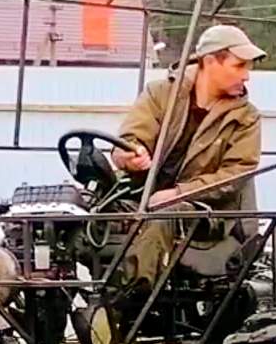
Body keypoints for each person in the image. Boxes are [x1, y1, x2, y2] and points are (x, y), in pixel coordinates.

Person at [110, 24, 266, 290]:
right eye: (239, 66)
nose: (246, 76)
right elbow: (129, 141)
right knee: (82, 209)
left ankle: (127, 298)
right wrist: (129, 156)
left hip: (211, 216)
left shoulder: (245, 117)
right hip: (145, 199)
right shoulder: (160, 95)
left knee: (166, 215)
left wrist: (178, 193)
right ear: (209, 61)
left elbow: (234, 176)